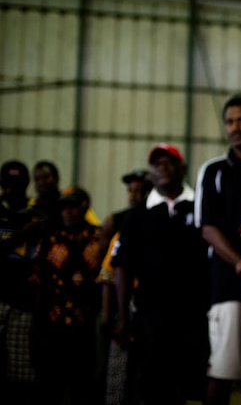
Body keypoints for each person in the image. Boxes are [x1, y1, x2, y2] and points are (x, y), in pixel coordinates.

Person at [113, 143, 210, 405]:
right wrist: (122, 317)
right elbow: (122, 267)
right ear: (150, 174)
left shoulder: (201, 207)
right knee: (152, 386)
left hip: (194, 317)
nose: (163, 168)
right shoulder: (137, 215)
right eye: (157, 164)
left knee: (191, 387)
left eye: (169, 162)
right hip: (150, 318)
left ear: (183, 168)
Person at [196, 94, 241, 405]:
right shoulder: (214, 171)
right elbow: (207, 227)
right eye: (229, 122)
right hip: (227, 282)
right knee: (223, 370)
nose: (235, 127)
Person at [32, 185, 102, 405]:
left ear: (84, 207)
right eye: (63, 208)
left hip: (88, 329)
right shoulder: (51, 240)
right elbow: (37, 282)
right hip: (53, 328)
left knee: (83, 387)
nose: (67, 212)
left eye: (73, 207)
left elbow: (105, 281)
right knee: (51, 387)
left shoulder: (98, 239)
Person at [97, 168, 152, 405]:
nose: (134, 195)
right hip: (126, 306)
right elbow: (108, 272)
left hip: (151, 308)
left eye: (140, 190)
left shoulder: (160, 220)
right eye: (131, 191)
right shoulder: (119, 222)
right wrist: (110, 315)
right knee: (118, 375)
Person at [0, 160, 42, 404]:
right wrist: (22, 235)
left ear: (25, 185)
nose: (10, 190)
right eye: (6, 184)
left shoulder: (37, 217)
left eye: (15, 184)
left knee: (21, 374)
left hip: (23, 305)